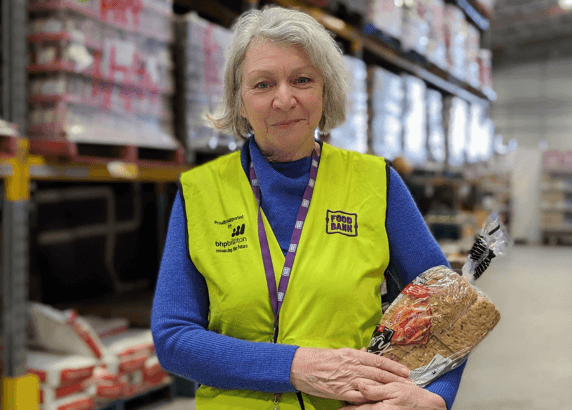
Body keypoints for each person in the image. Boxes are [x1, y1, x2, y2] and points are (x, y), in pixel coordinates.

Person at [152, 6, 466, 410]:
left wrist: (434, 398)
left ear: (325, 90)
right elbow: (174, 337)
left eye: (302, 80)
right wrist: (294, 365)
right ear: (240, 100)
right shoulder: (200, 193)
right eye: (263, 84)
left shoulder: (376, 183)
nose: (284, 99)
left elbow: (449, 310)